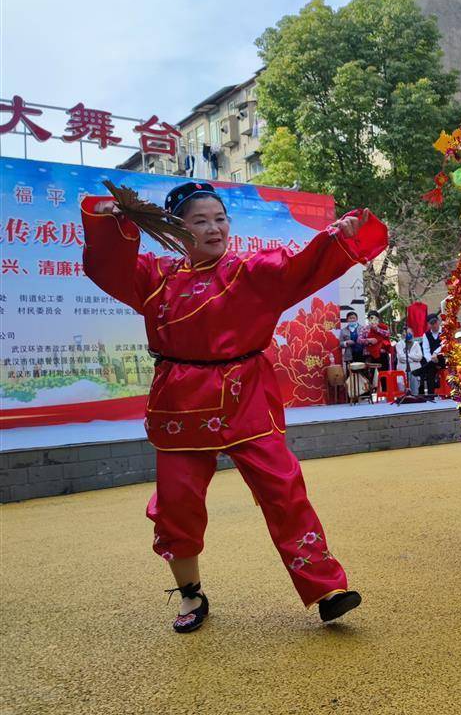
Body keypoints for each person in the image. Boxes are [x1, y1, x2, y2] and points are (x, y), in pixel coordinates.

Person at [80, 180, 387, 631]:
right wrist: (110, 221)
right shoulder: (155, 278)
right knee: (176, 504)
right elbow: (107, 265)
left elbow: (302, 267)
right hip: (179, 400)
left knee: (283, 488)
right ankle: (190, 595)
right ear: (176, 230)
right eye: (200, 221)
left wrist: (336, 236)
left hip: (245, 393)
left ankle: (326, 588)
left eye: (220, 219)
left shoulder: (251, 271)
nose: (214, 228)